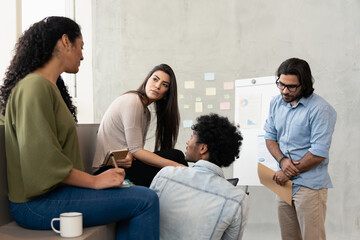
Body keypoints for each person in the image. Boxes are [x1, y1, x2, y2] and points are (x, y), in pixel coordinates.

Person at [0, 16, 159, 240]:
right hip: (35, 204)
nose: (82, 55)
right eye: (81, 47)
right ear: (65, 41)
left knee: (133, 194)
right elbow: (43, 164)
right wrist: (95, 181)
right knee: (146, 200)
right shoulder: (34, 87)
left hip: (52, 195)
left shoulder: (48, 87)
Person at [264, 58, 337, 240]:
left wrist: (287, 172)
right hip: (283, 183)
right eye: (281, 85)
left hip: (309, 186)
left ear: (304, 85)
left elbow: (318, 152)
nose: (285, 91)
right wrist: (282, 161)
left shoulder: (321, 109)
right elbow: (270, 137)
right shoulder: (276, 103)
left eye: (291, 87)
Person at [150, 113, 249, 240]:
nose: (187, 141)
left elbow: (147, 221)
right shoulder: (237, 199)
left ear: (202, 148)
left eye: (191, 137)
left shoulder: (166, 175)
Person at [92, 63, 188, 187]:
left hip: (124, 166)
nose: (157, 86)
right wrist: (176, 166)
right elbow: (137, 151)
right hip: (106, 170)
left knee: (174, 159)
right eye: (155, 79)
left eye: (164, 85)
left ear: (167, 93)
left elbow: (134, 151)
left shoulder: (145, 112)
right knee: (176, 157)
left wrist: (131, 155)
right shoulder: (133, 101)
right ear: (147, 80)